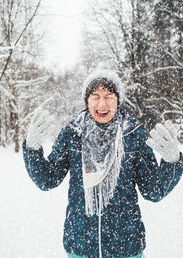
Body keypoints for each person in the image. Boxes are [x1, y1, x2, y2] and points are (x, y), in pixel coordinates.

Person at [23, 69, 183, 258]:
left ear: (118, 99)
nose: (102, 103)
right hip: (80, 246)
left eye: (109, 96)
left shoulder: (133, 135)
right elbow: (47, 179)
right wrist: (32, 149)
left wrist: (172, 161)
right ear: (87, 100)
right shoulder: (72, 133)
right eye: (95, 96)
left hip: (126, 247)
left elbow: (153, 190)